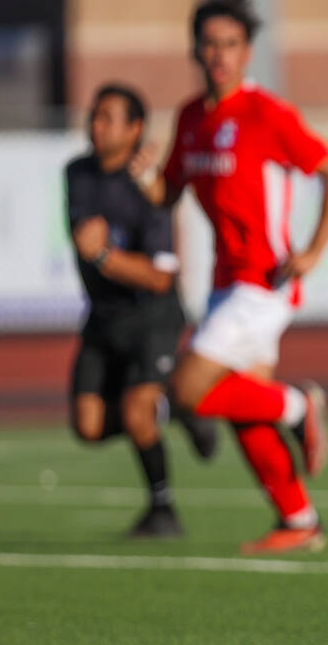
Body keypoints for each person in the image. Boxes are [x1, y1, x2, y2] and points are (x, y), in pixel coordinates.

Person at [130, 0, 328, 555]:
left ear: (247, 51)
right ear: (196, 51)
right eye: (210, 44)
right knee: (242, 407)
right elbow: (168, 193)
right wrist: (145, 176)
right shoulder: (190, 118)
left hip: (265, 282)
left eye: (230, 44)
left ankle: (298, 405)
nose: (220, 55)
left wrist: (314, 250)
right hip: (226, 284)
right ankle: (299, 521)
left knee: (185, 392)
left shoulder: (265, 113)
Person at [66, 83, 218, 538]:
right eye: (94, 115)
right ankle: (178, 406)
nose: (96, 125)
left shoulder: (148, 187)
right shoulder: (77, 173)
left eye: (108, 118)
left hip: (152, 315)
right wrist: (100, 256)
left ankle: (162, 510)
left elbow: (159, 276)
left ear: (135, 129)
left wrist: (105, 257)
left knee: (136, 411)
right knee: (88, 426)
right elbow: (82, 235)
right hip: (103, 315)